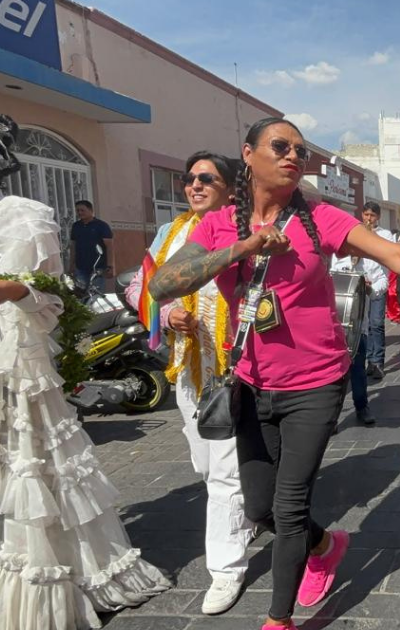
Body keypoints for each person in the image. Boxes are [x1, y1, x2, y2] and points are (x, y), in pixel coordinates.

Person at [149, 117, 400, 630]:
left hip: (316, 383)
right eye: (280, 146)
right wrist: (246, 247)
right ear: (247, 154)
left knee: (289, 505)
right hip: (250, 382)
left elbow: (399, 255)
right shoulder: (219, 223)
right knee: (259, 506)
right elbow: (164, 284)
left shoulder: (319, 218)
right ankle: (325, 545)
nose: (294, 155)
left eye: (300, 149)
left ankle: (279, 619)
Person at [0, 100, 169, 629]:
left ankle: (18, 581)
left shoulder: (21, 215)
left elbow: (54, 301)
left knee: (9, 457)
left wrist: (15, 289)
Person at [124, 151, 253, 615]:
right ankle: (248, 511)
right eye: (189, 179)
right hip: (186, 366)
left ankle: (226, 568)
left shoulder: (243, 228)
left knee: (223, 472)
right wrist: (168, 311)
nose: (195, 186)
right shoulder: (170, 233)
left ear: (230, 188)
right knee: (204, 461)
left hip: (233, 366)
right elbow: (143, 286)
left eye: (207, 179)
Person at [330, 250, 387, 426]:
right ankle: (331, 416)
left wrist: (371, 288)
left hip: (358, 323)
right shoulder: (333, 257)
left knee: (358, 370)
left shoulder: (370, 259)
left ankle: (362, 407)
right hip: (333, 323)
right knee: (333, 372)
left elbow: (383, 281)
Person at [360, 201, 393, 379]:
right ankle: (369, 362)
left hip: (378, 283)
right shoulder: (357, 232)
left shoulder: (385, 234)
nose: (368, 218)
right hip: (361, 283)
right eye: (366, 215)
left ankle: (378, 361)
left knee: (377, 324)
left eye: (372, 215)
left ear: (378, 217)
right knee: (364, 325)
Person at [70, 198, 114, 291]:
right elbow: (73, 246)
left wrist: (110, 266)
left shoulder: (101, 226)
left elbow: (109, 247)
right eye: (78, 210)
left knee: (95, 294)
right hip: (80, 267)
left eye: (82, 210)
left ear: (91, 210)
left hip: (98, 268)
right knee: (80, 294)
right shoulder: (76, 226)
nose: (80, 213)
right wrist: (71, 265)